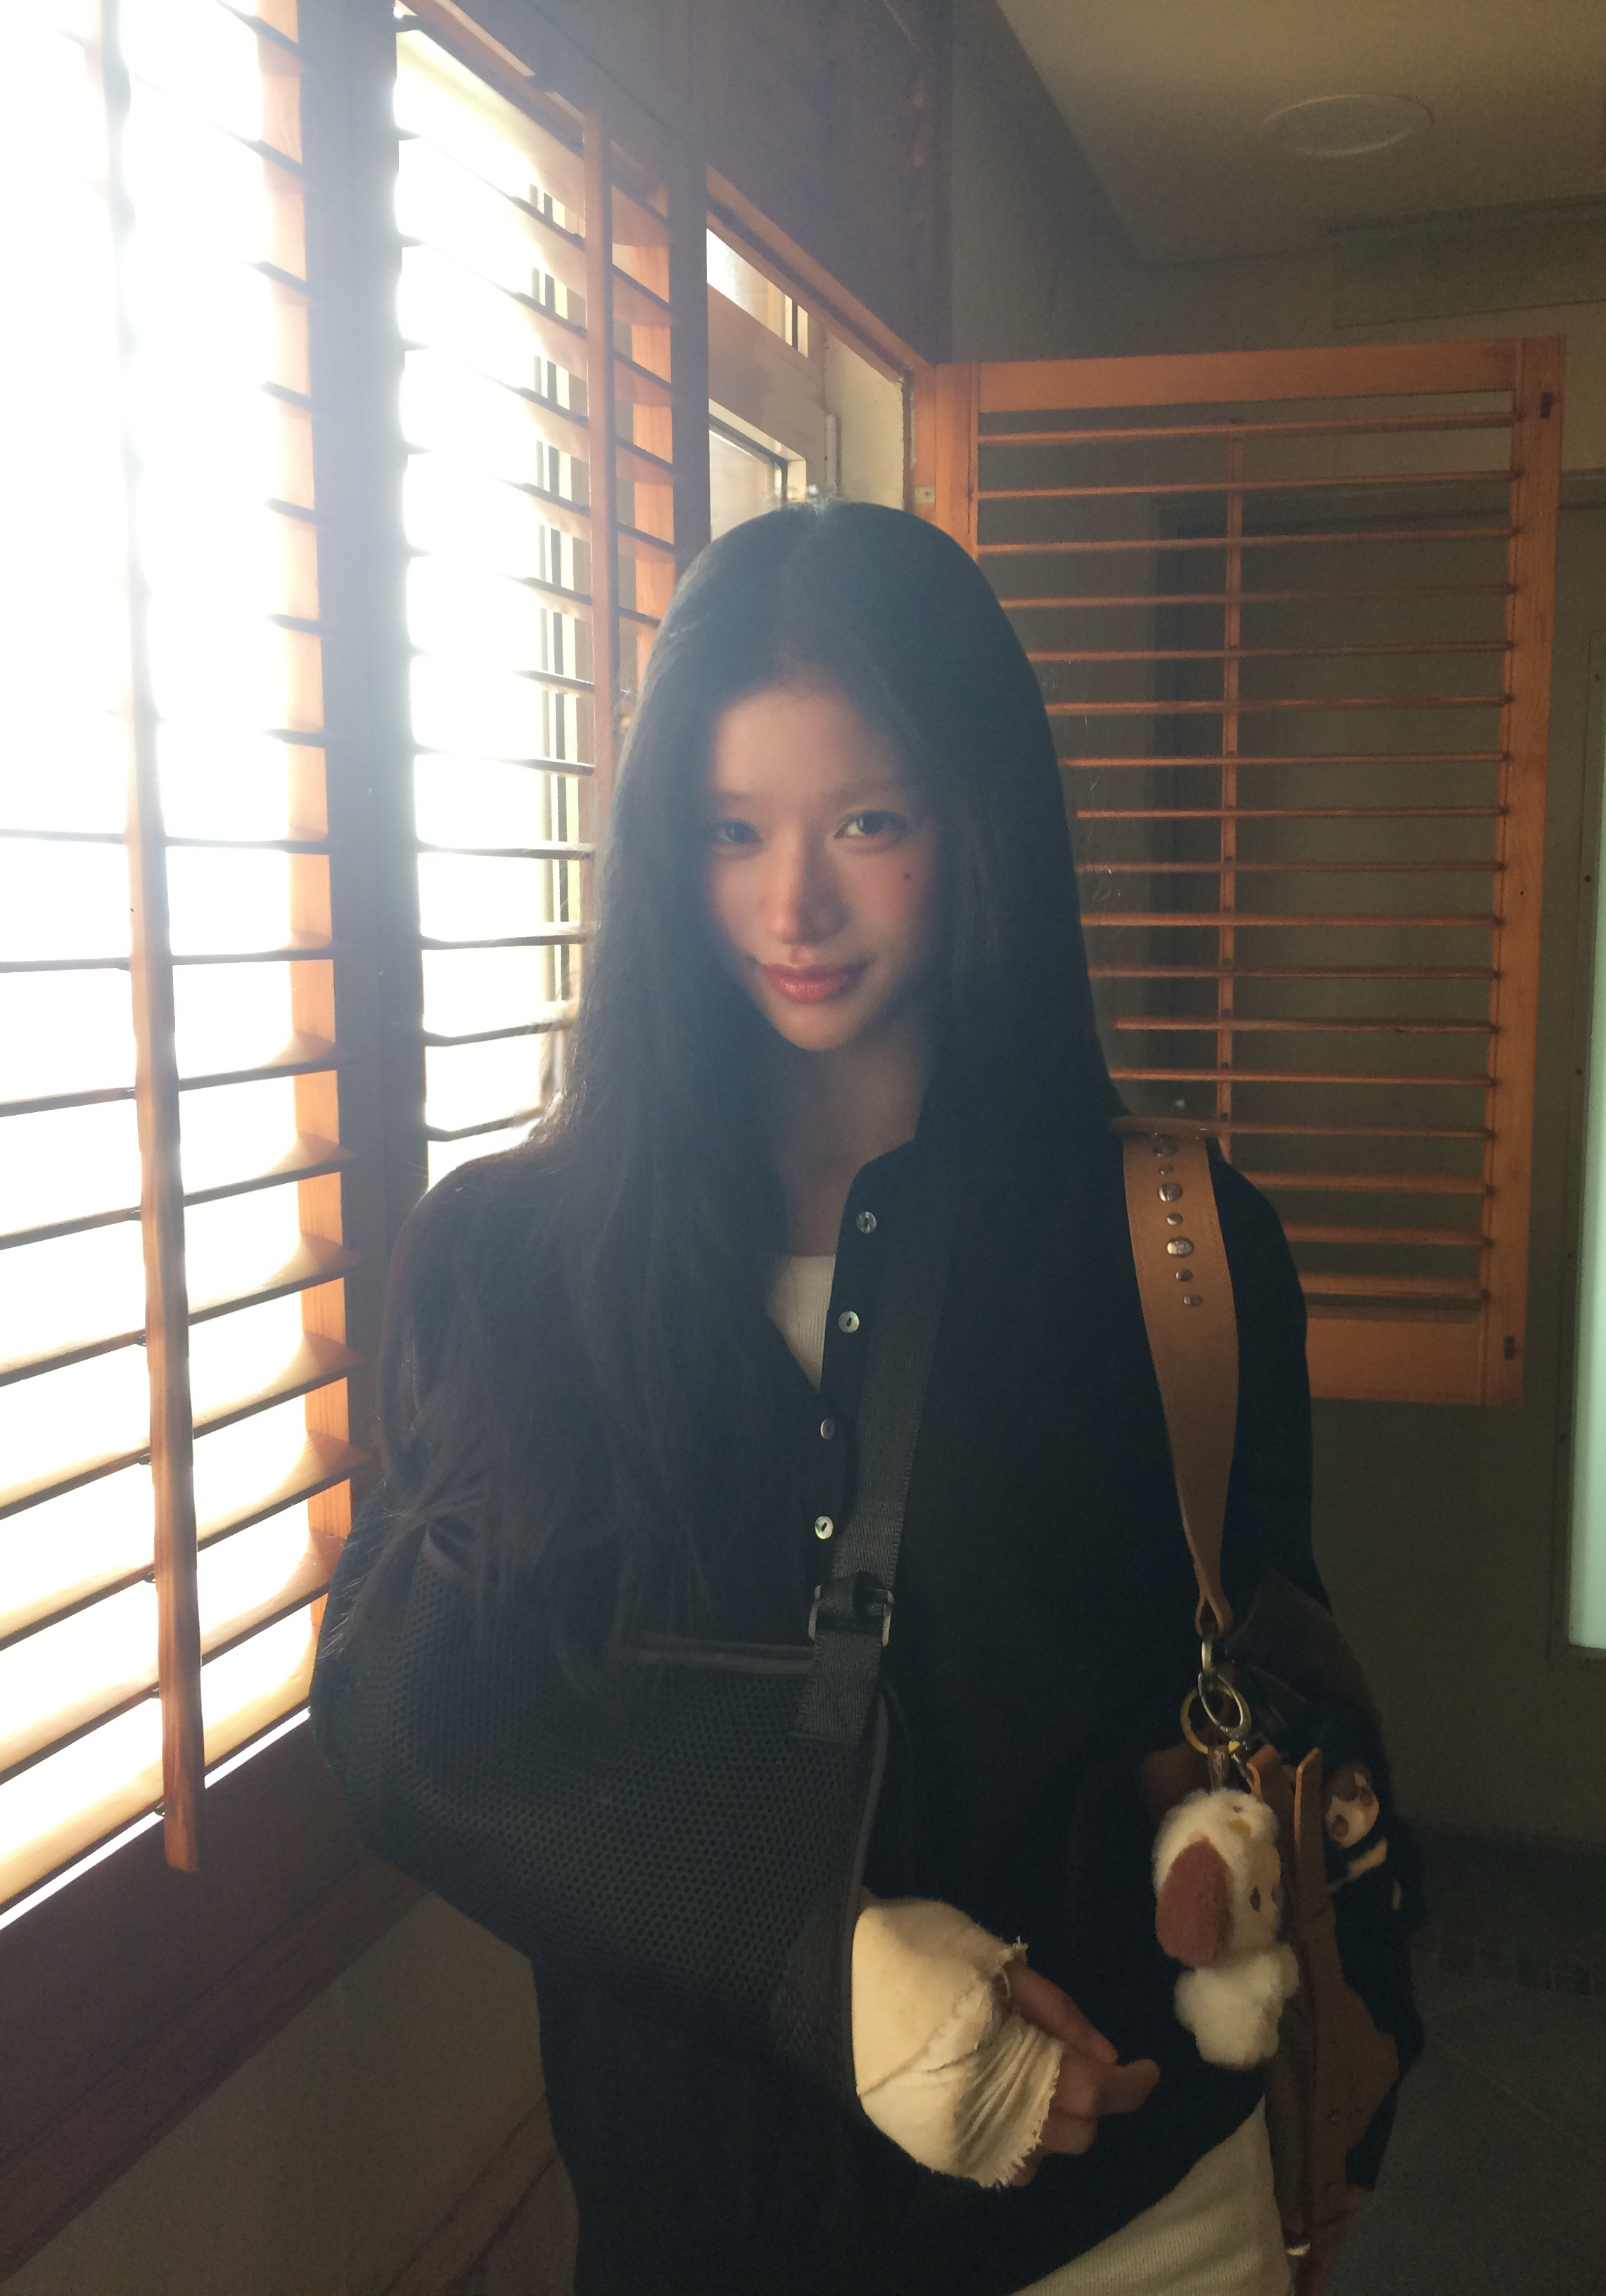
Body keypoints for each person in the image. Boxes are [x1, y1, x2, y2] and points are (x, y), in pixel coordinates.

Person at [310, 502, 1336, 2295]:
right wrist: (826, 1961)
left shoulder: (1179, 1243)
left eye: (870, 821)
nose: (793, 905)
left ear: (980, 823)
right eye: (732, 830)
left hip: (1132, 2220)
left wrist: (1240, 1838)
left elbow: (1275, 1646)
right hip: (704, 2224)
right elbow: (410, 1716)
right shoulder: (519, 1255)